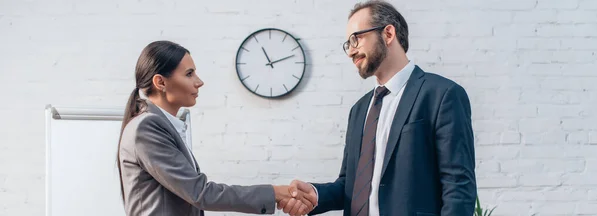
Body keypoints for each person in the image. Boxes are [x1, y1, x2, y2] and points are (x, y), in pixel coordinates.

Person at [278, 1, 477, 215]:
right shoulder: (359, 110)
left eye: (356, 38)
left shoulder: (442, 95)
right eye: (347, 44)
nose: (350, 51)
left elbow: (458, 187)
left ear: (388, 34)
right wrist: (315, 194)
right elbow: (351, 184)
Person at [116, 40, 316, 216]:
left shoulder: (158, 124)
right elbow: (200, 193)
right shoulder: (148, 127)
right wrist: (275, 192)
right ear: (160, 82)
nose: (199, 82)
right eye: (189, 74)